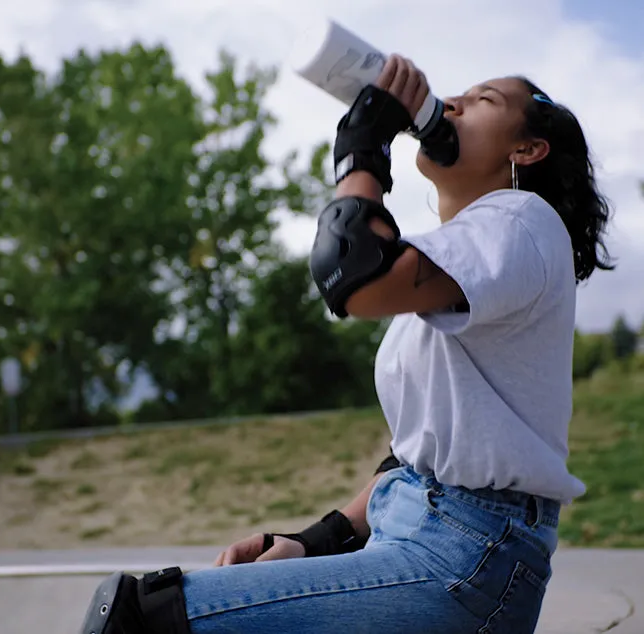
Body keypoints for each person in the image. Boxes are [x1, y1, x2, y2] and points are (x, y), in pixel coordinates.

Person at [78, 54, 613, 634]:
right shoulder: (453, 267)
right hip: (426, 539)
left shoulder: (522, 219)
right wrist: (311, 542)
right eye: (456, 95)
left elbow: (352, 271)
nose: (453, 102)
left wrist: (362, 148)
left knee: (143, 616)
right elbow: (414, 463)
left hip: (468, 558)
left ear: (526, 150)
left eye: (484, 99)